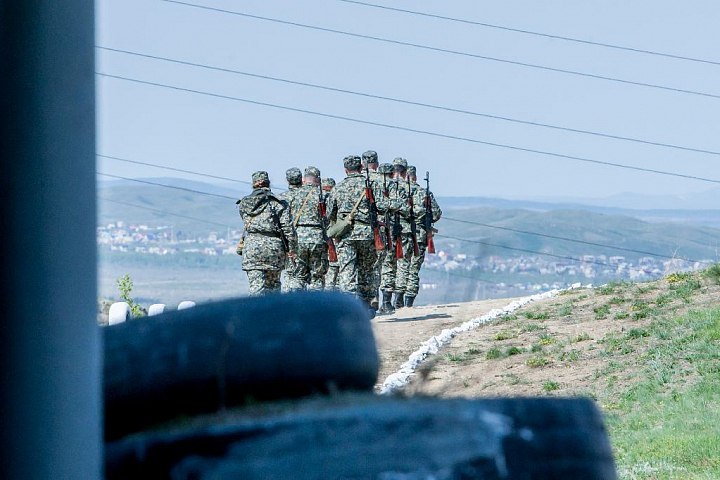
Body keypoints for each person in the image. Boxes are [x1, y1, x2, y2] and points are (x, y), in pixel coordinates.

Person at [327, 155, 379, 315]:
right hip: (367, 234)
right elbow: (382, 207)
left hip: (346, 235)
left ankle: (348, 307)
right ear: (361, 167)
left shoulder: (338, 187)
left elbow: (330, 212)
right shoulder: (370, 185)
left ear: (345, 170)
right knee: (366, 270)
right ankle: (365, 305)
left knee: (347, 270)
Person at [236, 171, 297, 295]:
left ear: (253, 184)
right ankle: (272, 313)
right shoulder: (278, 203)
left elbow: (245, 220)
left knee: (256, 287)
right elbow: (288, 229)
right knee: (273, 287)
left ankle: (254, 313)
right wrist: (293, 249)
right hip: (274, 248)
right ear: (268, 184)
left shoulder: (243, 203)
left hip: (252, 247)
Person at [395, 165, 442, 307]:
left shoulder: (398, 191)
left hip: (403, 233)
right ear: (414, 176)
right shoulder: (424, 193)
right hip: (420, 235)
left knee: (402, 266)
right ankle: (409, 302)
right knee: (414, 269)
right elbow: (437, 214)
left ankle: (398, 299)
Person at [287, 166, 329, 291]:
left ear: (304, 179)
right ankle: (315, 308)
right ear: (318, 180)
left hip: (297, 238)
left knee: (298, 275)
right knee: (316, 276)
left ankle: (295, 306)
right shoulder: (322, 196)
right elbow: (330, 216)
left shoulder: (293, 194)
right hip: (318, 237)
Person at [377, 162, 403, 314]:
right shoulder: (394, 186)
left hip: (372, 230)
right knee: (388, 266)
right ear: (392, 174)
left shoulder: (371, 184)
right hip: (387, 228)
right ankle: (386, 302)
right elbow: (399, 205)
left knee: (371, 267)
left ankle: (371, 301)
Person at [278, 167, 304, 291]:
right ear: (301, 180)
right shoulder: (309, 196)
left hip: (287, 242)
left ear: (287, 181)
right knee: (304, 274)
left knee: (289, 274)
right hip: (308, 237)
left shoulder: (281, 198)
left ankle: (290, 303)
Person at [322, 178, 340, 290]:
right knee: (335, 272)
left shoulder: (315, 199)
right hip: (333, 238)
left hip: (318, 239)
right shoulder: (335, 200)